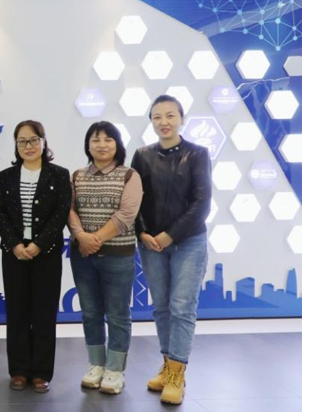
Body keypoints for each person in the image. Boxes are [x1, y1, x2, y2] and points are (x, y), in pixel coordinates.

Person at [131, 95, 211, 404]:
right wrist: (142, 232)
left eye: (170, 115)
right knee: (162, 307)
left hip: (189, 241)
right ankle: (167, 366)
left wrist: (170, 235)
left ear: (181, 118)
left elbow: (202, 202)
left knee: (182, 306)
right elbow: (134, 200)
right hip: (151, 243)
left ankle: (178, 372)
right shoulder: (142, 156)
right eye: (157, 117)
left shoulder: (198, 154)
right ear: (151, 121)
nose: (164, 122)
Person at [0, 120, 71, 394]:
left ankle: (41, 372)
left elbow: (61, 213)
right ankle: (19, 370)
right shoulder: (6, 176)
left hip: (46, 253)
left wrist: (39, 244)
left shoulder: (59, 175)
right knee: (17, 312)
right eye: (22, 141)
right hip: (14, 253)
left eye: (34, 140)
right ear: (16, 145)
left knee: (44, 312)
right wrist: (14, 244)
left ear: (44, 142)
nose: (28, 146)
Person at [68, 121, 144, 395]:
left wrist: (95, 239)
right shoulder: (77, 176)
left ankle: (114, 369)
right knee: (90, 312)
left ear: (117, 144)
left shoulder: (129, 175)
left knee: (118, 314)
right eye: (96, 139)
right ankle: (96, 365)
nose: (102, 145)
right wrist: (81, 236)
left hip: (117, 255)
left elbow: (126, 215)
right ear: (88, 145)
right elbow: (69, 210)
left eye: (108, 139)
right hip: (82, 256)